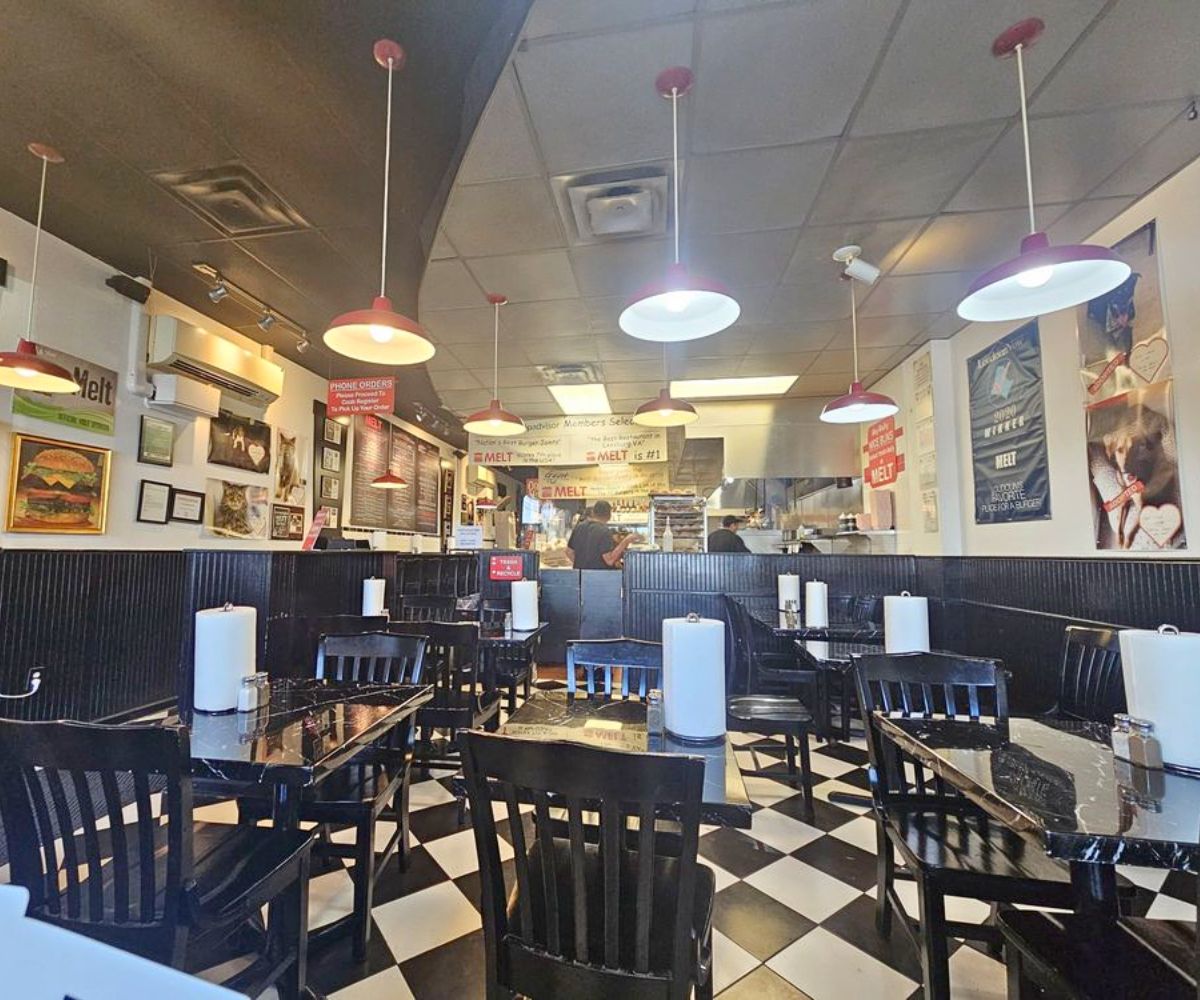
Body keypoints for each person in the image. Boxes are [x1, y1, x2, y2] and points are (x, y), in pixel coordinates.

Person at [566, 500, 634, 569]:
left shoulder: (579, 527)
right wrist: (626, 541)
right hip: (599, 574)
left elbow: (569, 552)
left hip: (579, 574)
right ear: (609, 516)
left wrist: (582, 566)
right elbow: (609, 560)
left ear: (593, 512)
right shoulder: (604, 531)